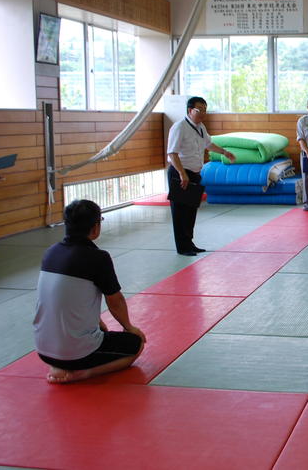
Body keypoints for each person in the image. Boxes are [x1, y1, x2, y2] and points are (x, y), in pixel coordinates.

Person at [32, 199, 146, 383]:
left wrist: (99, 324)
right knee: (136, 344)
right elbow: (115, 300)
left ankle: (59, 364)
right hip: (76, 353)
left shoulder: (51, 252)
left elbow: (69, 298)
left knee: (99, 328)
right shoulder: (98, 258)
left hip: (42, 349)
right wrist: (129, 327)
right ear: (95, 228)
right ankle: (82, 373)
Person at [167, 96, 235, 256]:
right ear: (190, 110)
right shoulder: (179, 127)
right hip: (180, 173)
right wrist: (182, 174)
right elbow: (172, 153)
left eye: (205, 110)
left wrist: (224, 152)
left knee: (191, 211)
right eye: (200, 110)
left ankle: (189, 243)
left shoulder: (201, 127)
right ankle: (182, 247)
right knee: (180, 212)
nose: (203, 113)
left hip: (194, 174)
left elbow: (208, 144)